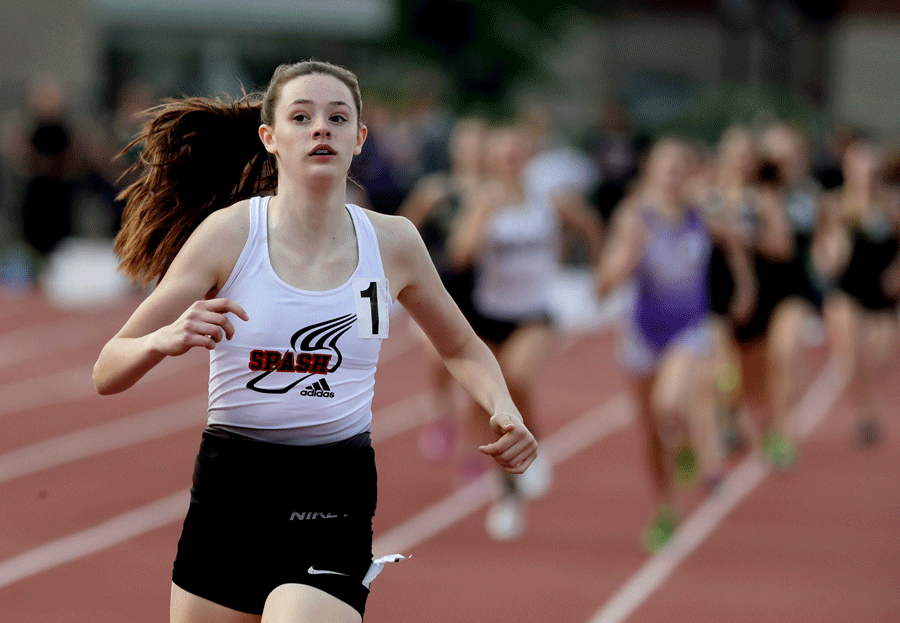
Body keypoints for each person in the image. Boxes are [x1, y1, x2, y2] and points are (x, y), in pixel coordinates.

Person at [92, 60, 537, 623]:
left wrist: (503, 407)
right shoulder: (230, 234)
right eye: (301, 117)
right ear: (270, 138)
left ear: (359, 138)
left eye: (337, 117)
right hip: (230, 496)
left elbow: (461, 346)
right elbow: (107, 370)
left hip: (331, 496)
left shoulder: (393, 242)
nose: (320, 128)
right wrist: (165, 338)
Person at [448, 123, 599, 541]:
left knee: (515, 378)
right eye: (502, 155)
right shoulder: (481, 200)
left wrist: (591, 270)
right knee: (491, 411)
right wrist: (483, 214)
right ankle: (507, 493)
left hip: (535, 315)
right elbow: (460, 255)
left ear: (528, 157)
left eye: (517, 153)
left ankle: (538, 447)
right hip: (487, 316)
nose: (510, 161)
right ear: (491, 161)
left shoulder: (548, 199)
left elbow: (588, 226)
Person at [597, 137, 748, 552]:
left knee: (670, 405)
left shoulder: (702, 213)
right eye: (666, 166)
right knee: (650, 433)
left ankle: (686, 446)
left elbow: (734, 245)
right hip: (642, 334)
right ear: (649, 171)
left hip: (689, 329)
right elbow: (602, 285)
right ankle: (664, 509)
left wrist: (744, 287)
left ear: (691, 174)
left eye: (682, 166)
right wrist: (627, 260)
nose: (674, 174)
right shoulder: (634, 218)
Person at [397, 114, 488, 464]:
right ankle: (442, 415)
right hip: (439, 288)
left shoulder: (495, 193)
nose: (474, 150)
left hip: (481, 293)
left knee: (477, 374)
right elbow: (403, 226)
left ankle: (473, 449)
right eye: (467, 143)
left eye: (480, 143)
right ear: (456, 148)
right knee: (437, 358)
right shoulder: (436, 188)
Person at [818, 138, 900, 446]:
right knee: (849, 355)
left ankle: (868, 402)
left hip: (881, 293)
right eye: (859, 166)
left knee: (877, 359)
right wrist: (836, 236)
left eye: (870, 166)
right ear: (848, 170)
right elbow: (828, 254)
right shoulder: (835, 204)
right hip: (847, 288)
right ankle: (865, 415)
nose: (866, 173)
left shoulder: (892, 204)